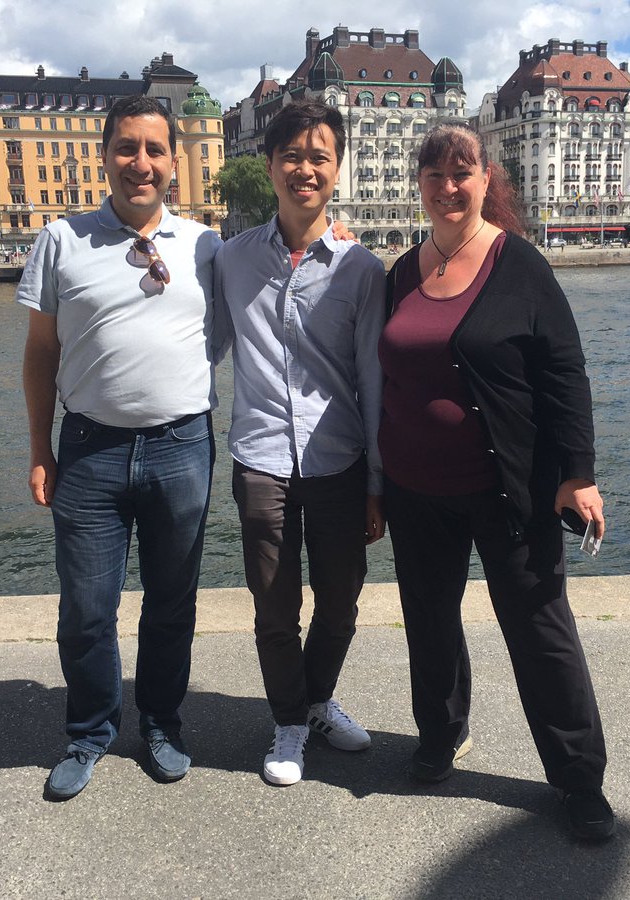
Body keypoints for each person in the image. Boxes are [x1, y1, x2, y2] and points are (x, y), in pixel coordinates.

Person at [378, 123, 615, 841]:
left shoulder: (522, 266)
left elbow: (565, 375)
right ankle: (442, 734)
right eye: (435, 174)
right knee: (429, 618)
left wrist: (577, 475)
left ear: (486, 179)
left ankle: (578, 780)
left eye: (462, 173)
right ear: (418, 182)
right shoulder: (398, 272)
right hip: (416, 486)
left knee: (540, 630)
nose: (448, 188)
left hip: (509, 487)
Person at [19, 95, 224, 801]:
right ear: (104, 154)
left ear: (175, 160)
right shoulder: (62, 240)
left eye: (155, 150)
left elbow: (265, 289)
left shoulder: (207, 247)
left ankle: (162, 723)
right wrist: (40, 449)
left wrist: (336, 232)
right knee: (85, 606)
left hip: (182, 447)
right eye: (126, 148)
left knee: (173, 602)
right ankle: (90, 730)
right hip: (90, 449)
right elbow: (40, 354)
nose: (141, 163)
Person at [213, 101, 386, 786]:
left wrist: (378, 479)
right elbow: (198, 345)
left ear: (335, 169)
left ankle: (315, 700)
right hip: (260, 459)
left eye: (318, 157)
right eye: (291, 156)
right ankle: (288, 719)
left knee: (341, 600)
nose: (304, 169)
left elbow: (372, 376)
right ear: (269, 166)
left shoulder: (361, 270)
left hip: (339, 458)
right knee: (274, 607)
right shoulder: (229, 259)